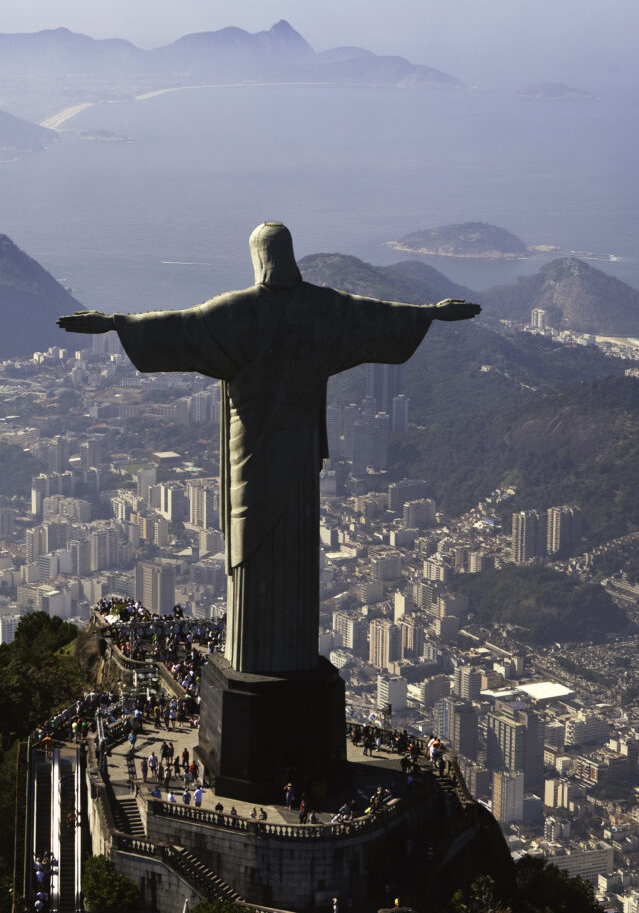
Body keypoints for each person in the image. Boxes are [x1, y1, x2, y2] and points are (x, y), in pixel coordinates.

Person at [59, 222, 479, 675]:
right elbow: (373, 315)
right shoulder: (324, 309)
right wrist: (428, 314)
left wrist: (115, 324)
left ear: (258, 258)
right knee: (295, 550)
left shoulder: (236, 313)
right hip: (299, 459)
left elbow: (180, 326)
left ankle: (254, 660)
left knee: (253, 548)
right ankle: (290, 657)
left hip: (252, 461)